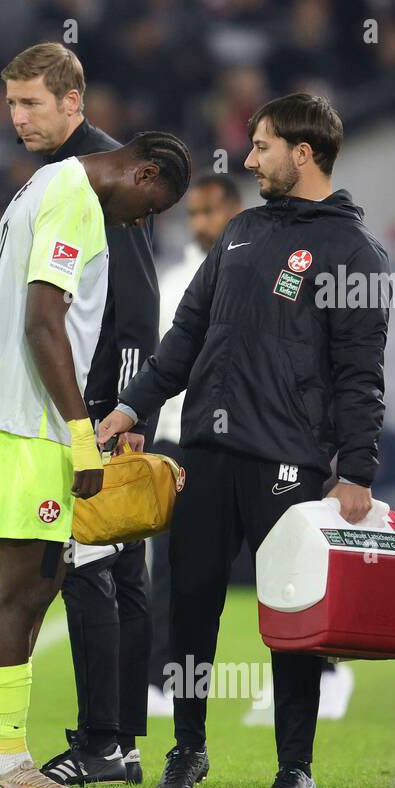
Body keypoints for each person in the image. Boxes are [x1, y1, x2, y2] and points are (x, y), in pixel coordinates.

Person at [98, 94, 390, 788]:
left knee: (291, 616)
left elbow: (360, 375)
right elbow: (183, 340)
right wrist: (133, 406)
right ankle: (188, 748)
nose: (250, 159)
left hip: (287, 463)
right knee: (190, 607)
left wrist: (356, 470)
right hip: (204, 454)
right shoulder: (238, 233)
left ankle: (295, 768)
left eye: (262, 147)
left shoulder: (355, 253)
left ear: (304, 153)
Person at [0, 131, 189, 788]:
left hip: (17, 414)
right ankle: (11, 767)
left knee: (44, 578)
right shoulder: (77, 201)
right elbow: (42, 323)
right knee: (20, 585)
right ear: (145, 173)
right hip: (30, 422)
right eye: (150, 208)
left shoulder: (39, 185)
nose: (139, 223)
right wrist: (81, 433)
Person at [1, 42, 164, 787]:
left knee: (92, 571)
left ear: (74, 102)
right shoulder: (69, 172)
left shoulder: (97, 174)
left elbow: (135, 301)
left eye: (32, 102)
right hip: (91, 403)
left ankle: (103, 740)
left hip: (96, 408)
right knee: (111, 571)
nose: (18, 117)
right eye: (11, 103)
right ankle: (119, 742)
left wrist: (119, 412)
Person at [145, 173, 242, 720]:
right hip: (176, 441)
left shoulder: (254, 272)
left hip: (243, 440)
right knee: (171, 565)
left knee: (278, 561)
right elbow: (162, 364)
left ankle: (318, 666)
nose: (201, 223)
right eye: (195, 214)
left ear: (233, 210)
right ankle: (162, 677)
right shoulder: (173, 279)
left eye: (211, 212)